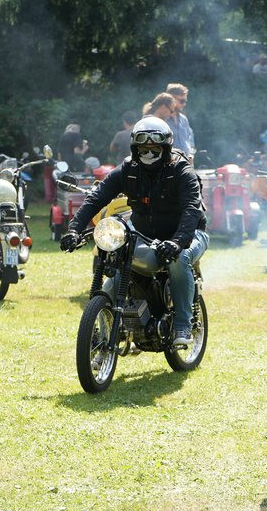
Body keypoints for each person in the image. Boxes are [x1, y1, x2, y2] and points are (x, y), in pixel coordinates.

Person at [59, 116, 208, 347]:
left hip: (188, 235)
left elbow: (191, 209)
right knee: (118, 258)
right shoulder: (128, 170)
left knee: (179, 259)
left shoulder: (181, 171)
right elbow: (96, 198)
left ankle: (182, 323)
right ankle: (105, 326)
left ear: (165, 147)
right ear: (135, 148)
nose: (148, 152)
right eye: (143, 147)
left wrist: (179, 241)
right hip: (144, 234)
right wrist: (73, 230)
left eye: (154, 147)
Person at [166, 83, 196, 162]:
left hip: (185, 164)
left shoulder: (184, 119)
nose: (184, 104)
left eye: (185, 101)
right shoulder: (162, 120)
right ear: (172, 99)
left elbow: (190, 139)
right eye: (182, 101)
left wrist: (191, 154)